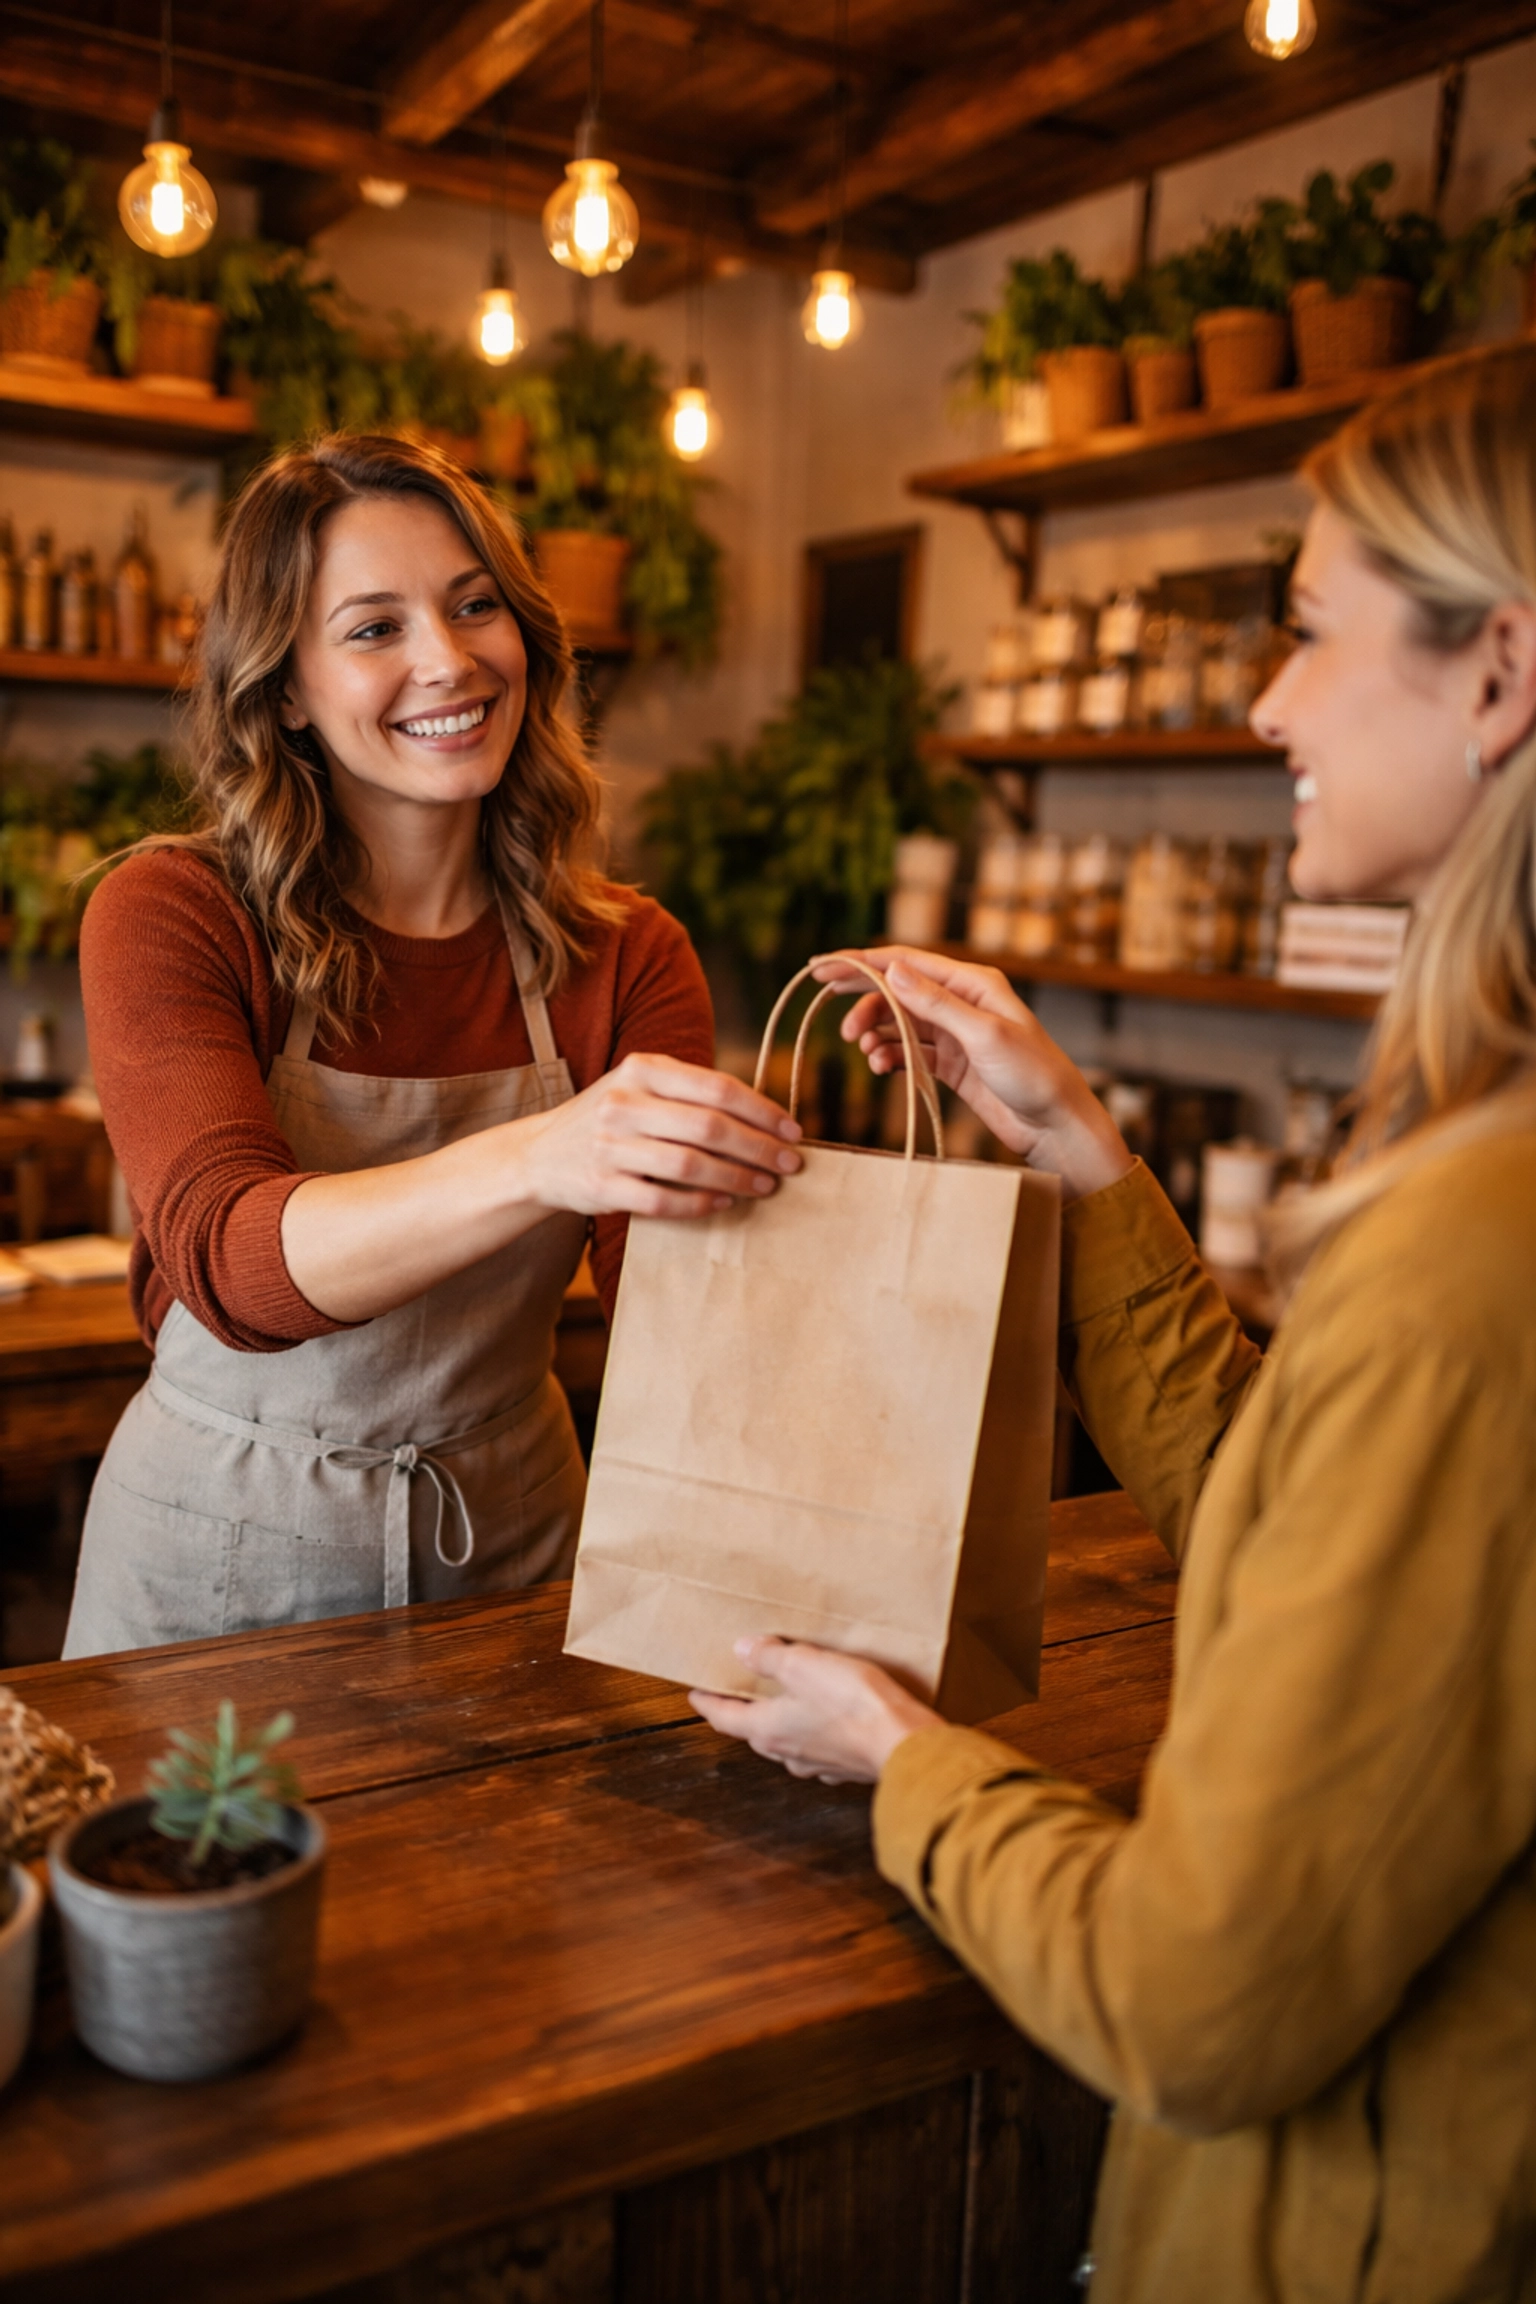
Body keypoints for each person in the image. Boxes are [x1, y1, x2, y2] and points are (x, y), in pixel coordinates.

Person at [692, 342, 1536, 2301]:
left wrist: (898, 1754)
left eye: (1312, 630)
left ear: (1500, 675)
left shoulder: (1469, 1248)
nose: (1265, 698)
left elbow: (1197, 2002)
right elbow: (1294, 1514)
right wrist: (1082, 1152)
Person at [65, 432, 801, 1659]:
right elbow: (231, 1262)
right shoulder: (172, 913)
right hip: (216, 1565)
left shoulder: (628, 955)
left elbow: (677, 1324)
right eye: (372, 629)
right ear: (286, 687)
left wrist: (794, 1188)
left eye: (475, 607)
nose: (449, 660)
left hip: (514, 1552)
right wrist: (544, 1157)